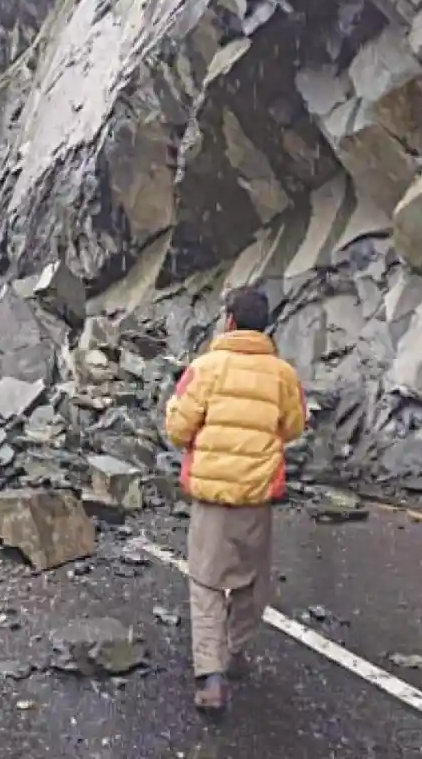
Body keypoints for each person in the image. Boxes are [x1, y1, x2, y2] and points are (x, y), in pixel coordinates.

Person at [164, 285, 306, 712]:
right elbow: (295, 426)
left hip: (211, 496)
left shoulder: (204, 369)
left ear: (228, 321)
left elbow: (177, 428)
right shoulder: (284, 375)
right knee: (250, 580)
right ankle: (236, 651)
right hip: (256, 496)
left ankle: (211, 677)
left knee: (206, 582)